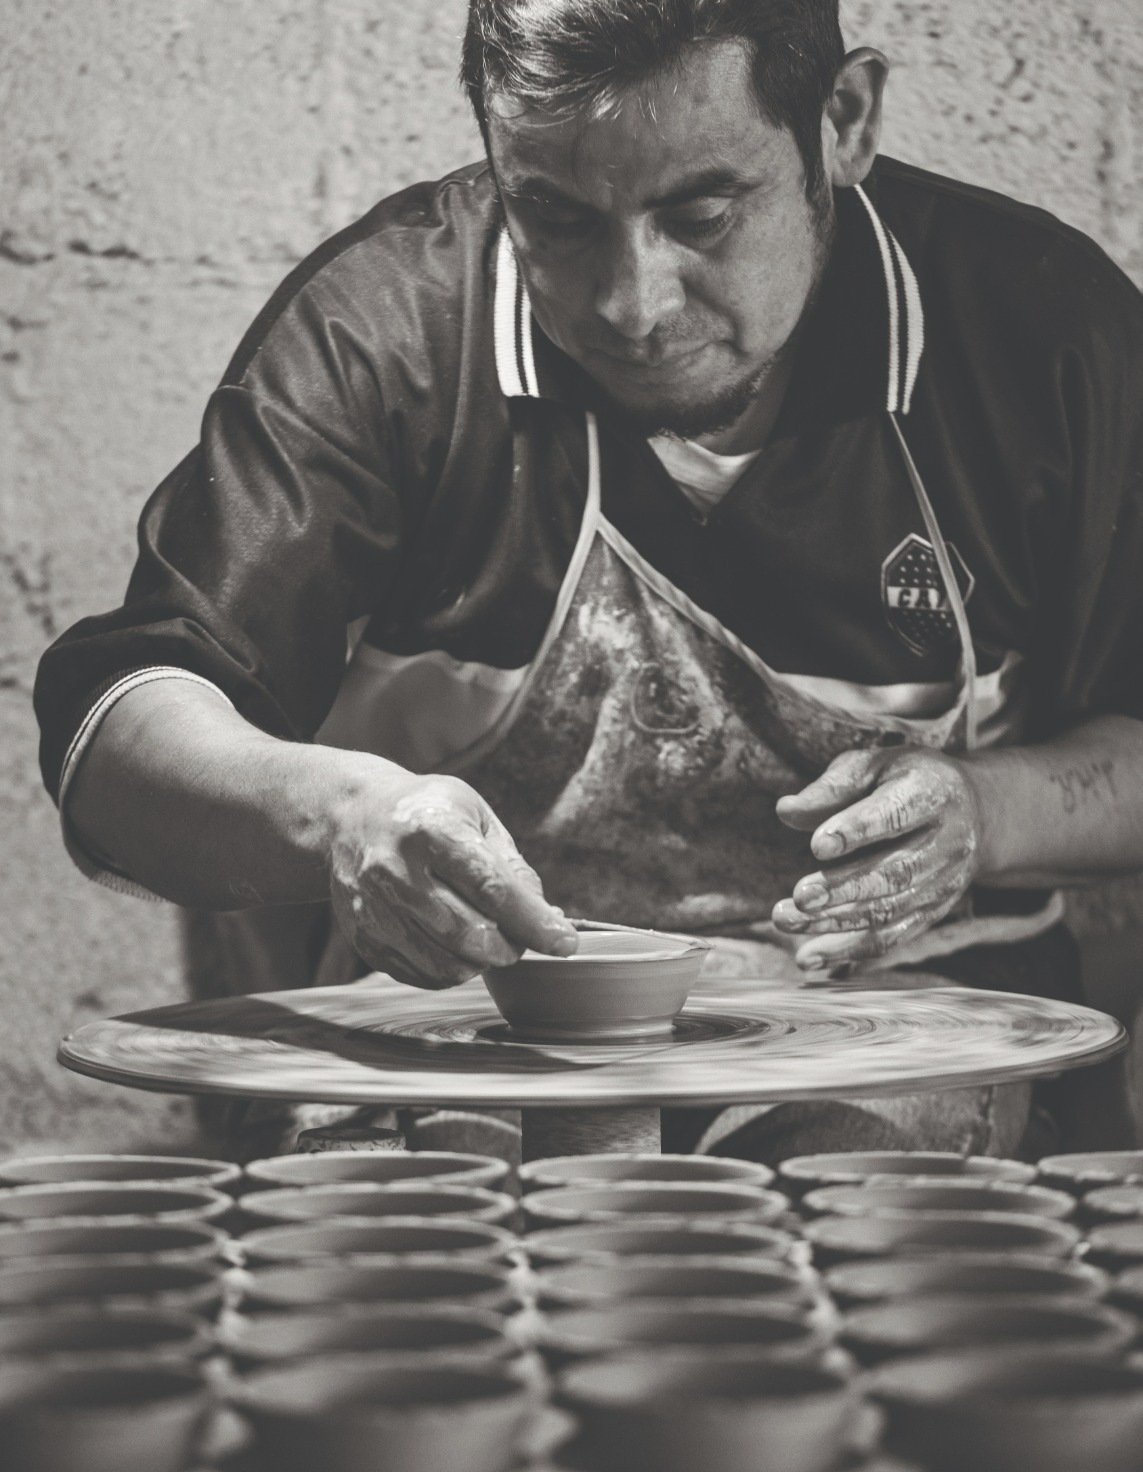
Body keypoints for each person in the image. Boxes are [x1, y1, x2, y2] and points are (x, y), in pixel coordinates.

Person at [35, 0, 1143, 1161]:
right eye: (555, 218)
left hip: (908, 1016)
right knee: (393, 1228)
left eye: (702, 216)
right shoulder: (388, 334)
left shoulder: (1038, 339)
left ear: (845, 121)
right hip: (466, 1014)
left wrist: (991, 811)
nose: (632, 304)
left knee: (859, 1195)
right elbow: (118, 735)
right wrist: (343, 820)